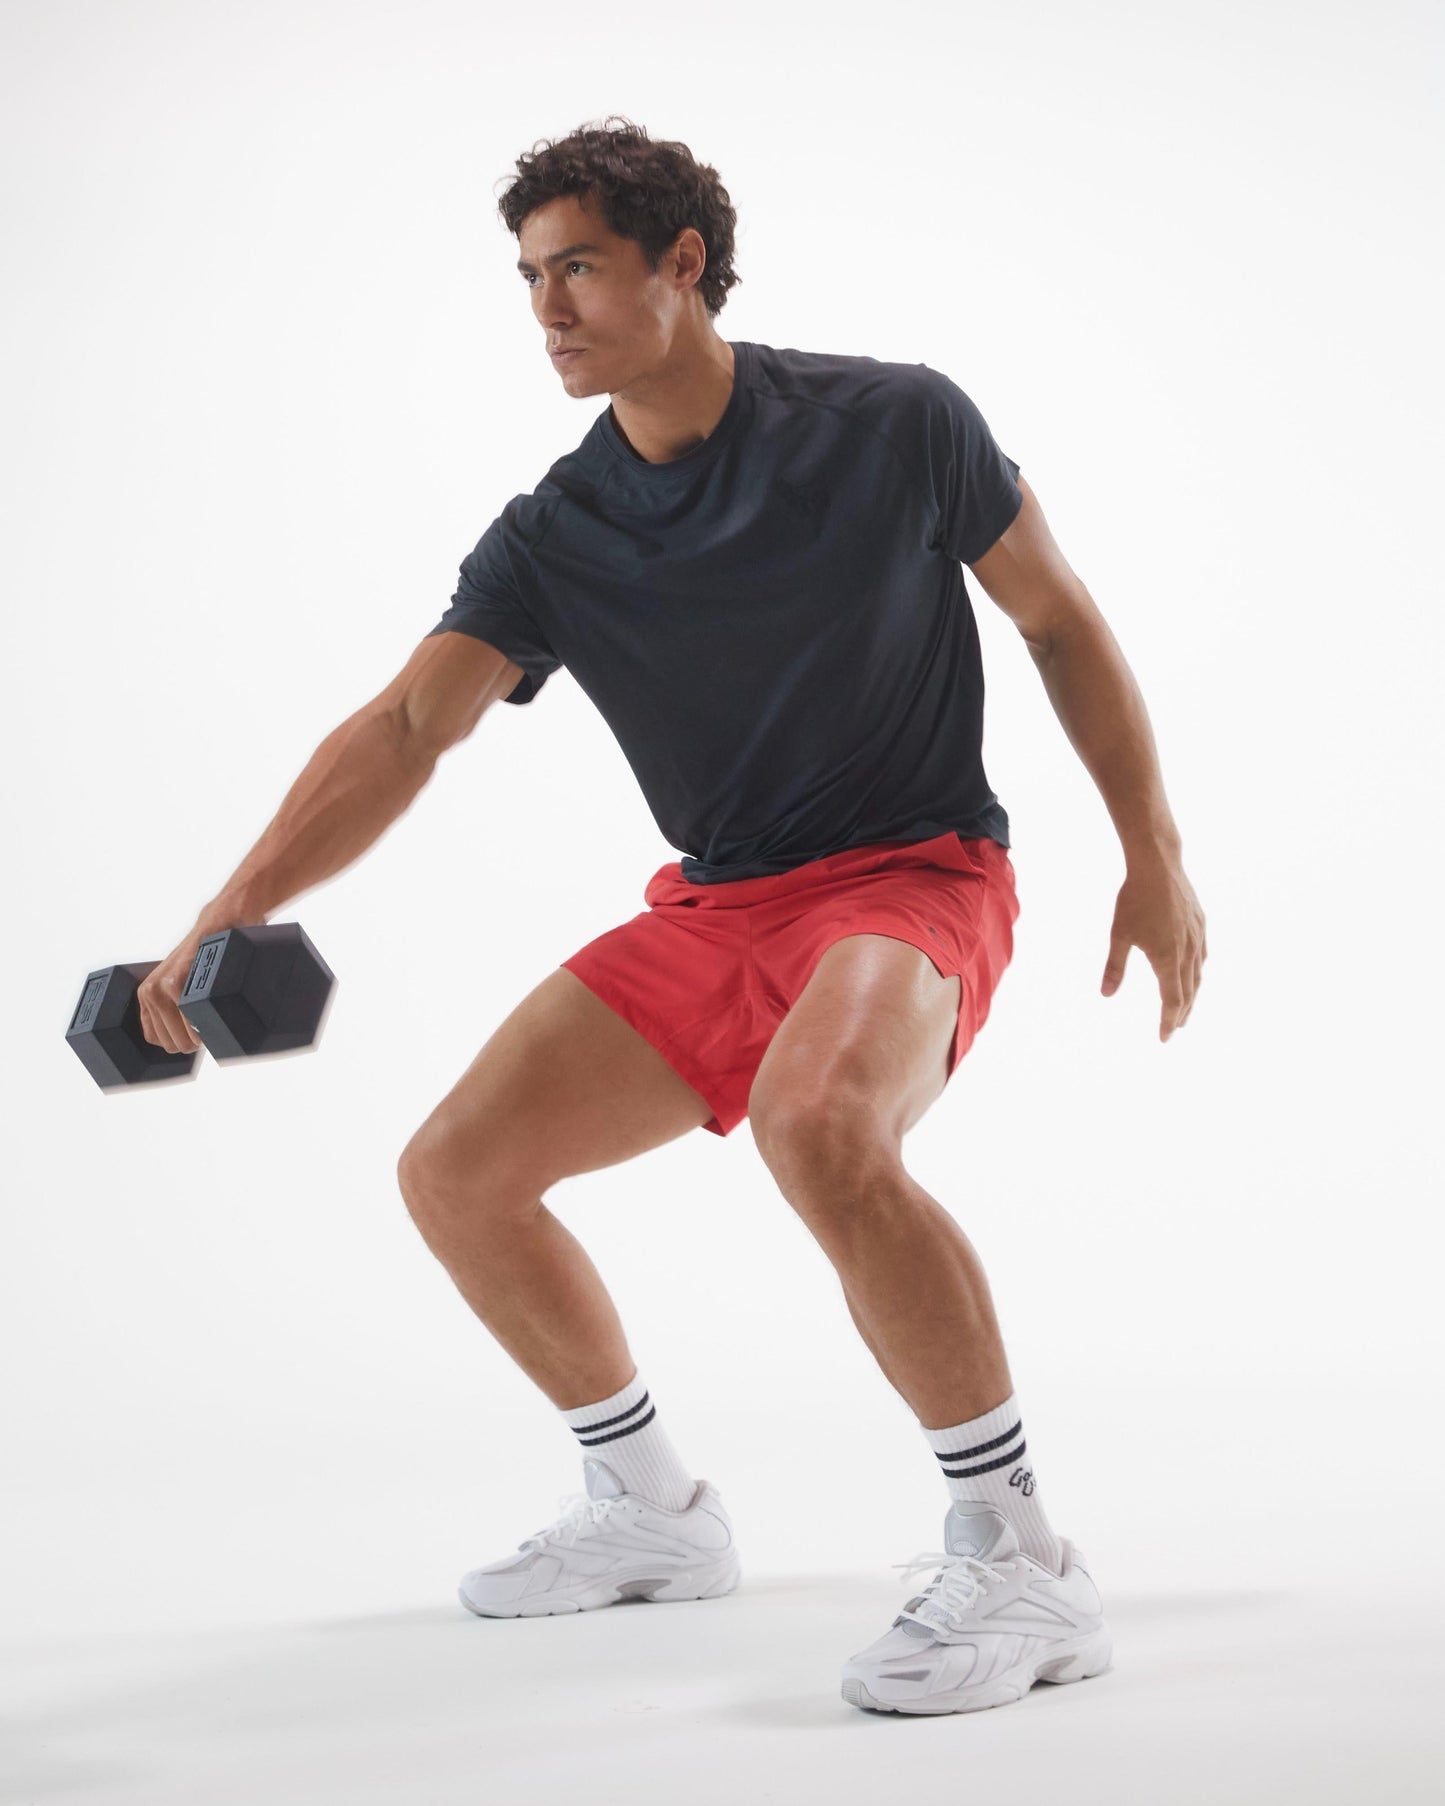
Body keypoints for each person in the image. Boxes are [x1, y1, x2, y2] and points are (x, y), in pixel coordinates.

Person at [137, 116, 1206, 1717]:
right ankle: (648, 1511)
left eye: (576, 266)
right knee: (457, 1170)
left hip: (913, 873)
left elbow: (1054, 619)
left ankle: (1020, 1556)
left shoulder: (893, 421)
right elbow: (409, 727)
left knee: (821, 1121)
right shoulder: (558, 528)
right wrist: (230, 901)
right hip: (720, 904)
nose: (546, 308)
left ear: (680, 264)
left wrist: (1153, 852)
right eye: (526, 278)